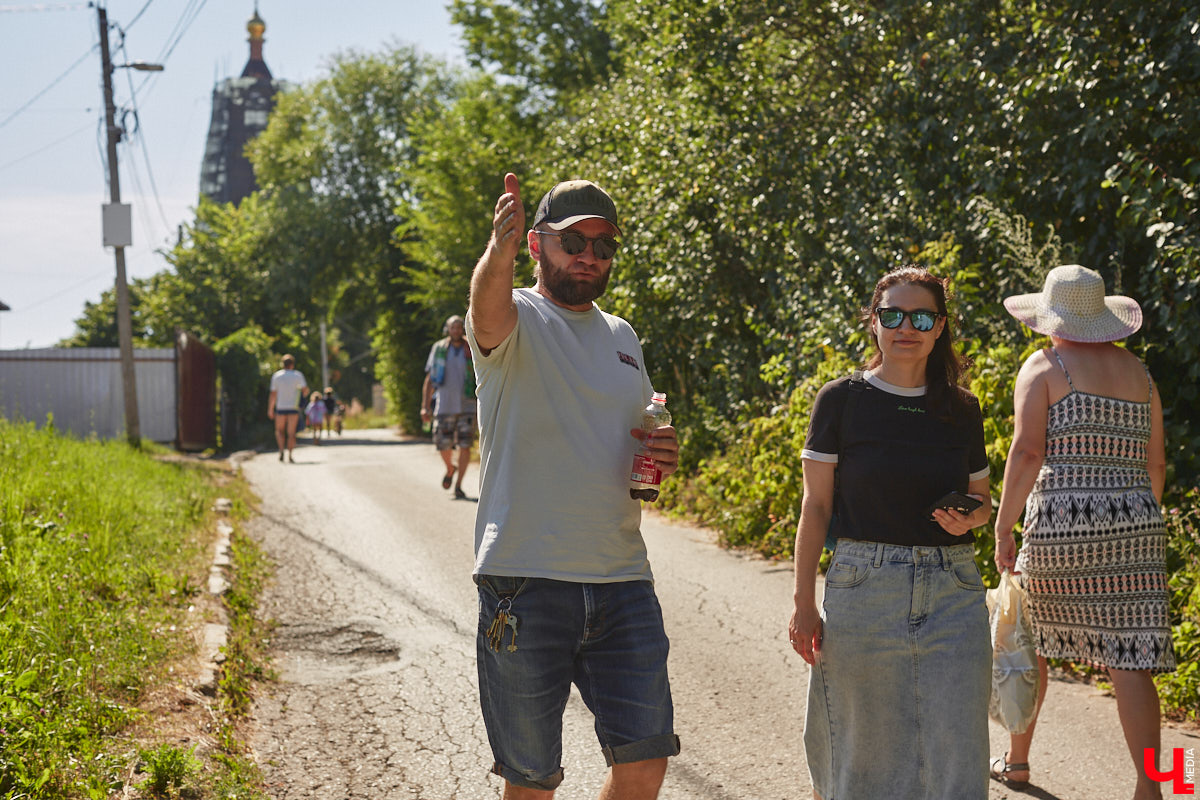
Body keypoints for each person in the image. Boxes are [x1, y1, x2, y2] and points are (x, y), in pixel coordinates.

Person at [465, 173, 681, 799]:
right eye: (573, 240)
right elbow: (487, 307)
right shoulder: (516, 320)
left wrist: (659, 451)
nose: (589, 255)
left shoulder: (622, 336)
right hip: (526, 582)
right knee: (532, 781)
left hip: (623, 582)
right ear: (537, 245)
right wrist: (496, 252)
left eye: (604, 245)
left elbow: (637, 437)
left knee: (644, 762)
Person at [788, 265, 994, 800]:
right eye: (893, 314)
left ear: (940, 325)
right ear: (873, 323)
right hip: (864, 587)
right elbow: (815, 506)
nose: (907, 326)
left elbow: (982, 504)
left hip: (955, 589)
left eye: (922, 316)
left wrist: (971, 517)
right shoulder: (842, 400)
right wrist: (804, 603)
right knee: (865, 755)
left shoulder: (963, 408)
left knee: (957, 750)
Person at [991, 265, 1175, 799]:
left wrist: (1004, 525)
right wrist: (1135, 519)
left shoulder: (1045, 365)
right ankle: (1155, 785)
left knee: (1036, 640)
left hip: (1061, 521)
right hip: (1136, 521)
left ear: (1050, 318)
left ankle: (1018, 763)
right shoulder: (1140, 373)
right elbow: (1157, 463)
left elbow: (1027, 451)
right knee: (1130, 658)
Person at [421, 315, 477, 499]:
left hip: (467, 405)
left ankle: (459, 485)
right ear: (448, 330)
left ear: (463, 329)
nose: (456, 331)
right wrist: (425, 406)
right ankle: (450, 468)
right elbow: (429, 380)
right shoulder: (438, 348)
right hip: (444, 404)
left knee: (465, 445)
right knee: (442, 444)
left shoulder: (471, 347)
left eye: (459, 327)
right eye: (453, 328)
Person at [268, 354, 308, 463]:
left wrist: (270, 409)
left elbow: (273, 394)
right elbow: (305, 391)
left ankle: (281, 450)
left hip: (280, 407)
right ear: (292, 364)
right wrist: (299, 397)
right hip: (293, 408)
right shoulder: (298, 376)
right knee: (291, 433)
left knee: (280, 431)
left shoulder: (277, 376)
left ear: (282, 364)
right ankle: (290, 454)